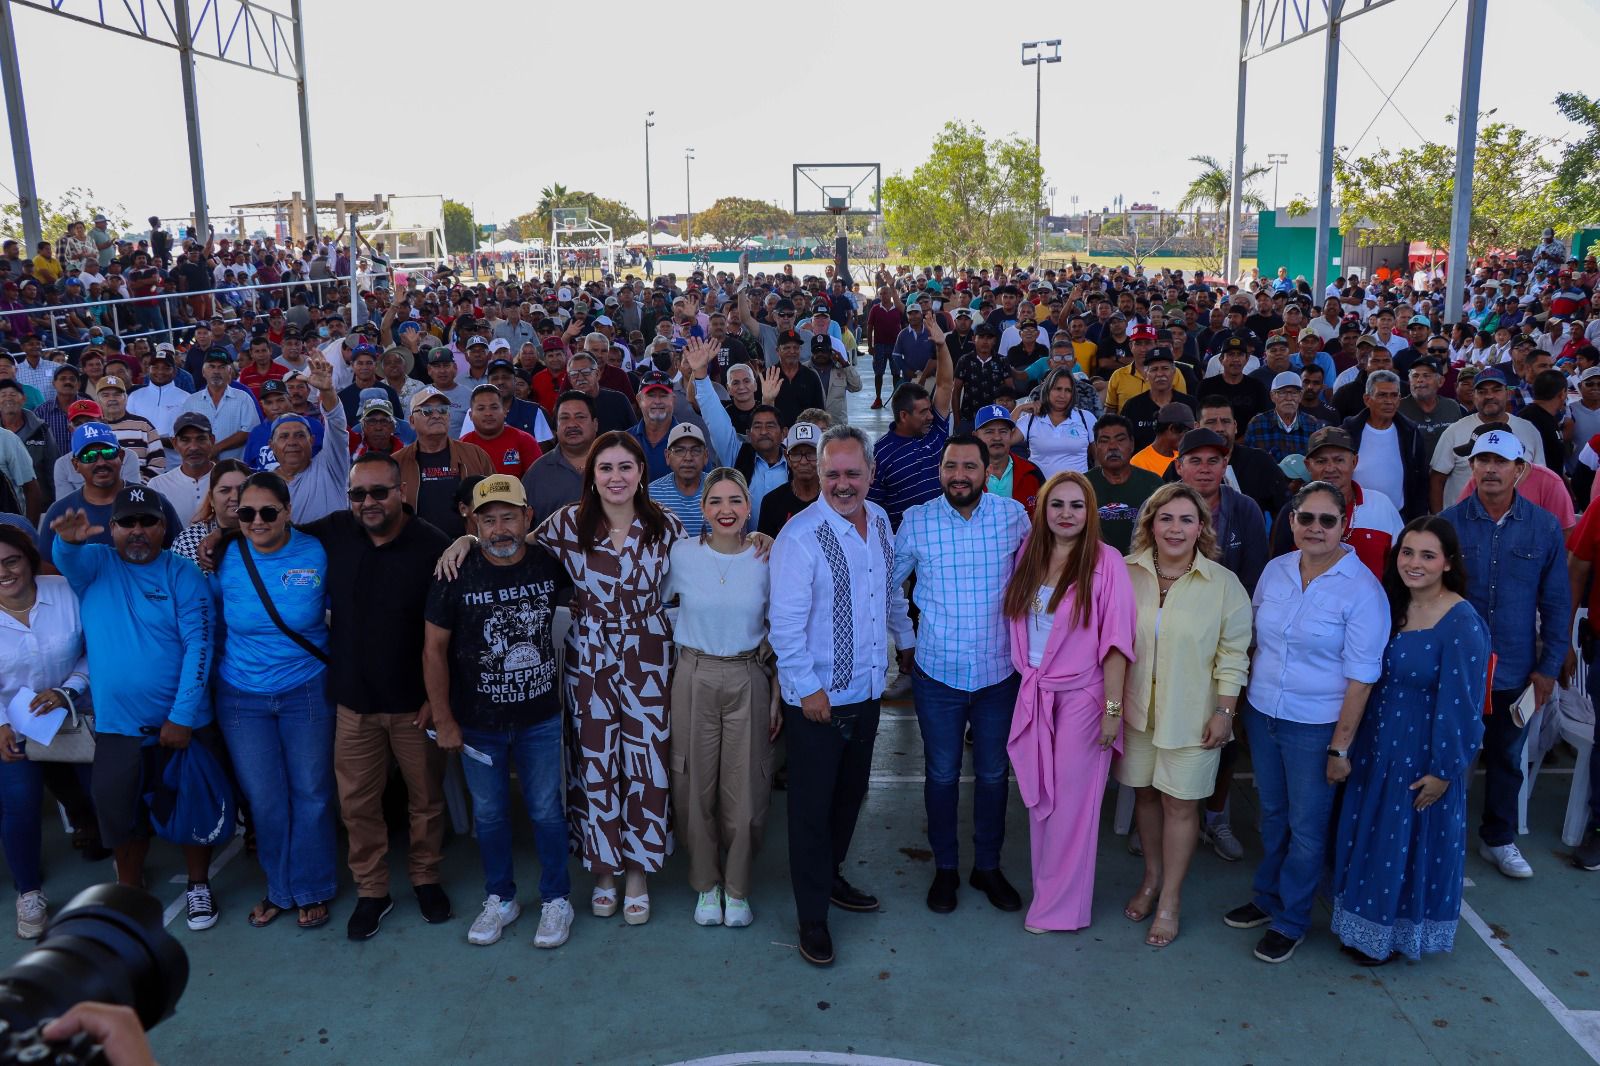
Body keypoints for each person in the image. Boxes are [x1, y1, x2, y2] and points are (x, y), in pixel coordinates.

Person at [288, 453, 454, 941]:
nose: (368, 502)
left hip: (414, 704)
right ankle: (373, 890)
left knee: (425, 802)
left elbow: (454, 633)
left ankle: (425, 878)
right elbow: (276, 533)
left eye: (379, 492)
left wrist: (437, 700)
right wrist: (224, 534)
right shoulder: (336, 531)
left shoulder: (433, 545)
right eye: (358, 494)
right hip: (354, 704)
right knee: (357, 805)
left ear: (401, 490)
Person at [1225, 480, 1388, 964]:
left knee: (1307, 827)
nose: (1315, 528)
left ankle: (1292, 919)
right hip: (1263, 715)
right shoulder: (1275, 571)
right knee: (1272, 815)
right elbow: (1253, 640)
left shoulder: (1362, 590)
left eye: (1327, 520)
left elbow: (1361, 679)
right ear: (1292, 521)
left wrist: (1340, 747)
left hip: (1316, 726)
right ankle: (1267, 896)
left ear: (1345, 525)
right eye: (1306, 518)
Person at [769, 424, 913, 966]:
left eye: (853, 473)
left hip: (868, 689)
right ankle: (811, 918)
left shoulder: (878, 521)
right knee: (810, 809)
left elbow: (889, 591)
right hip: (819, 701)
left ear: (871, 475)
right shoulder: (799, 537)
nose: (843, 484)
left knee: (850, 797)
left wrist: (907, 641)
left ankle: (830, 879)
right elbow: (783, 625)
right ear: (818, 474)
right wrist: (808, 691)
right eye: (833, 474)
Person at [49, 488, 218, 931]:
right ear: (114, 529)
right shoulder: (96, 565)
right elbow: (67, 558)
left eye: (148, 522)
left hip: (181, 725)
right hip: (118, 727)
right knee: (120, 813)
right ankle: (128, 888)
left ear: (164, 527)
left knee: (190, 806)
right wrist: (68, 541)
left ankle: (198, 885)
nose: (138, 531)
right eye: (128, 523)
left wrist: (182, 716)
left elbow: (200, 646)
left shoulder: (184, 575)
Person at [535, 431, 684, 925]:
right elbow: (512, 546)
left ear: (642, 472)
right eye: (606, 468)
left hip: (648, 652)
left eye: (625, 467)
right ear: (592, 476)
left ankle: (639, 871)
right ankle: (604, 870)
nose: (616, 477)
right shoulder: (567, 525)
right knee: (594, 761)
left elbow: (708, 568)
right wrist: (469, 538)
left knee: (647, 762)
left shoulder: (666, 526)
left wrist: (757, 539)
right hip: (590, 655)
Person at [1330, 517, 1489, 964]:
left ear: (1447, 563)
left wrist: (1443, 770)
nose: (1414, 563)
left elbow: (1463, 705)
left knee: (1403, 840)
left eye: (1427, 555)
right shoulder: (1390, 603)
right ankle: (1361, 925)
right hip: (1377, 743)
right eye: (1407, 552)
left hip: (1421, 752)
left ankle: (1391, 935)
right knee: (1371, 832)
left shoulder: (1461, 622)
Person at [424, 475, 574, 948]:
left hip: (540, 718)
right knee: (488, 814)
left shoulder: (551, 564)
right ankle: (501, 897)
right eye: (487, 520)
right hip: (477, 725)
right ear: (473, 521)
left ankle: (556, 899)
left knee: (547, 810)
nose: (499, 528)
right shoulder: (454, 572)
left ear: (528, 517)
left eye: (509, 516)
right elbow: (433, 650)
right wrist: (445, 719)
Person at [893, 436, 1031, 915]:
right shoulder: (917, 520)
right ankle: (946, 868)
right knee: (941, 773)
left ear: (986, 470)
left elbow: (1038, 580)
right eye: (950, 466)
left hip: (999, 673)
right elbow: (890, 585)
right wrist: (905, 640)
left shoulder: (1013, 517)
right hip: (938, 674)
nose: (959, 475)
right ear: (940, 470)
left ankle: (987, 866)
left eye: (969, 466)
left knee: (994, 774)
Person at [1119, 483, 1252, 948]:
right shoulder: (1123, 573)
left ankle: (1171, 898)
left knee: (1180, 803)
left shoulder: (1223, 585)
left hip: (1193, 716)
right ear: (1150, 525)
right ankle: (1151, 879)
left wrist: (1224, 711)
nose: (1175, 529)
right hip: (1135, 713)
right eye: (1166, 519)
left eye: (1186, 520)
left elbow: (1234, 655)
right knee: (1147, 798)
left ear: (1201, 529)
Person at [1003, 471, 1136, 932]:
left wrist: (1112, 712)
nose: (1066, 514)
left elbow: (1117, 643)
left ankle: (1060, 911)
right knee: (1042, 801)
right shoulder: (1029, 555)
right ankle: (1048, 893)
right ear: (1042, 509)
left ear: (1091, 512)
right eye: (1056, 504)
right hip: (1037, 693)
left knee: (1073, 810)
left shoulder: (1107, 562)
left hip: (1083, 698)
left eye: (1076, 506)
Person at [1440, 430, 1569, 880]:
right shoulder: (1448, 523)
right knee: (1449, 755)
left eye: (1500, 462)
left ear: (1521, 470)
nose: (1490, 469)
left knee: (1506, 757)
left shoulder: (1545, 527)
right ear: (1471, 468)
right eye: (1482, 461)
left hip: (1515, 669)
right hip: (1456, 669)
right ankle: (1443, 834)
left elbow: (1555, 603)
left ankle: (1498, 838)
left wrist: (1548, 668)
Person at [213, 472, 337, 930]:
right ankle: (279, 887)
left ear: (288, 511)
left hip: (306, 686)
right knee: (265, 800)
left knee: (312, 793)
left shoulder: (317, 551)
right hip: (241, 696)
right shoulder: (224, 554)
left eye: (268, 511)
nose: (257, 521)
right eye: (246, 513)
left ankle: (312, 887)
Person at [664, 468, 777, 928]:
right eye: (715, 501)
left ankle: (737, 887)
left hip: (749, 673)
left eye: (735, 501)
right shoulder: (682, 554)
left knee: (747, 789)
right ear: (703, 510)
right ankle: (706, 885)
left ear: (749, 508)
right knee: (693, 785)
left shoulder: (768, 557)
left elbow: (783, 626)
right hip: (694, 673)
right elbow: (650, 600)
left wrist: (777, 694)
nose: (725, 510)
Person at [0, 525, 87, 937]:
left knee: (99, 792)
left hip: (72, 714)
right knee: (19, 801)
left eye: (11, 560)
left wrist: (67, 690)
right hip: (12, 726)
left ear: (28, 560)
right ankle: (28, 891)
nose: (4, 572)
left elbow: (93, 649)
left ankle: (105, 842)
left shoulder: (64, 591)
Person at [1268, 427, 1403, 579]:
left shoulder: (1381, 506)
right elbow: (1279, 571)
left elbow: (1401, 565)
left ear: (1354, 461)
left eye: (1339, 460)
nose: (1330, 468)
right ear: (1308, 465)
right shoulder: (1294, 511)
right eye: (1321, 461)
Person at [38, 422, 181, 561]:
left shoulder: (153, 501)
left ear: (121, 456)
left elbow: (179, 555)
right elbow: (48, 570)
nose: (101, 462)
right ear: (76, 465)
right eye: (89, 457)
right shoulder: (61, 512)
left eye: (108, 453)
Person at [867, 317, 956, 528]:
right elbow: (872, 509)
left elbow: (945, 385)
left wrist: (941, 346)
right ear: (904, 416)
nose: (931, 416)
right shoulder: (879, 454)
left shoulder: (936, 431)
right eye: (924, 412)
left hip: (944, 537)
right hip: (903, 545)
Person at [395, 388, 494, 539]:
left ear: (448, 416)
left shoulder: (476, 455)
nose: (436, 415)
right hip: (415, 551)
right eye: (427, 411)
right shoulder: (396, 462)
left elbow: (496, 502)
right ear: (412, 421)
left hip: (470, 549)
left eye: (442, 410)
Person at [1341, 370, 1427, 520]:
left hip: (1397, 518)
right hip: (1354, 518)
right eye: (1382, 395)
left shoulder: (1410, 432)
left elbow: (1420, 481)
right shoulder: (1348, 431)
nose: (1389, 401)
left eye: (1394, 395)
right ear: (1367, 399)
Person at [1086, 415, 1164, 555]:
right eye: (1104, 441)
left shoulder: (1154, 484)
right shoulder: (1083, 485)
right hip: (1095, 565)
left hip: (1142, 564)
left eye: (1120, 439)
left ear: (1132, 444)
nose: (1113, 446)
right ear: (1096, 447)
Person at [1012, 366, 1096, 478]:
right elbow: (1005, 440)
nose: (1062, 395)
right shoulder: (1031, 420)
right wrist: (1019, 408)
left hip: (1078, 490)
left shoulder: (1086, 418)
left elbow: (1098, 457)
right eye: (1058, 389)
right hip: (1041, 490)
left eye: (1068, 390)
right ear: (1047, 390)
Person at [171, 460, 249, 563]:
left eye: (241, 490)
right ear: (211, 498)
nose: (235, 497)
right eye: (225, 490)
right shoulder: (188, 541)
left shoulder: (264, 531)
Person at [757, 423, 822, 537]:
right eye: (796, 454)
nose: (803, 461)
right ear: (787, 457)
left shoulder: (835, 499)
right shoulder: (771, 502)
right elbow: (765, 549)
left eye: (811, 454)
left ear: (822, 456)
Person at [148, 413, 215, 524]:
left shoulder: (229, 481)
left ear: (212, 440)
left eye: (201, 439)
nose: (193, 447)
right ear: (174, 443)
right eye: (185, 440)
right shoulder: (158, 485)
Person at [1242, 372, 1325, 463]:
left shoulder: (1313, 425)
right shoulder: (1257, 424)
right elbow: (1248, 462)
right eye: (1282, 393)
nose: (1289, 398)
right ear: (1272, 396)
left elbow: (1319, 462)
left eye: (1294, 393)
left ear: (1300, 396)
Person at [647, 423, 711, 534]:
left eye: (695, 450)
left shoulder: (719, 489)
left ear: (706, 456)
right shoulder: (652, 494)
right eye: (679, 450)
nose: (688, 458)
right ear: (667, 456)